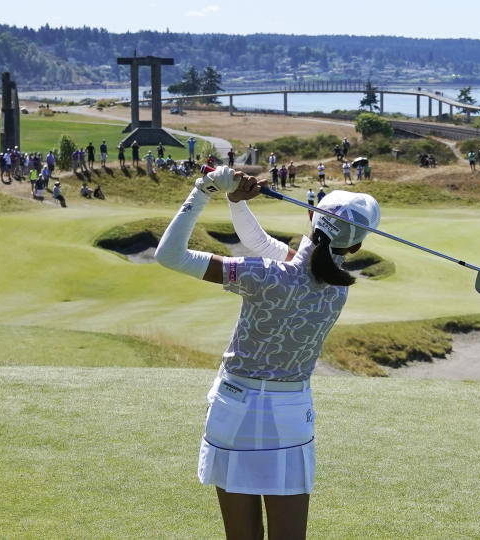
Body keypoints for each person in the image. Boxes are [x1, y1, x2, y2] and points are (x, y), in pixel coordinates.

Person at [154, 167, 380, 540]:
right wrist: (236, 201)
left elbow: (170, 256)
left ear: (311, 216)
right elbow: (268, 247)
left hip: (232, 412)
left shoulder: (262, 276)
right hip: (288, 418)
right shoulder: (336, 290)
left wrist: (203, 190)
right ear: (355, 247)